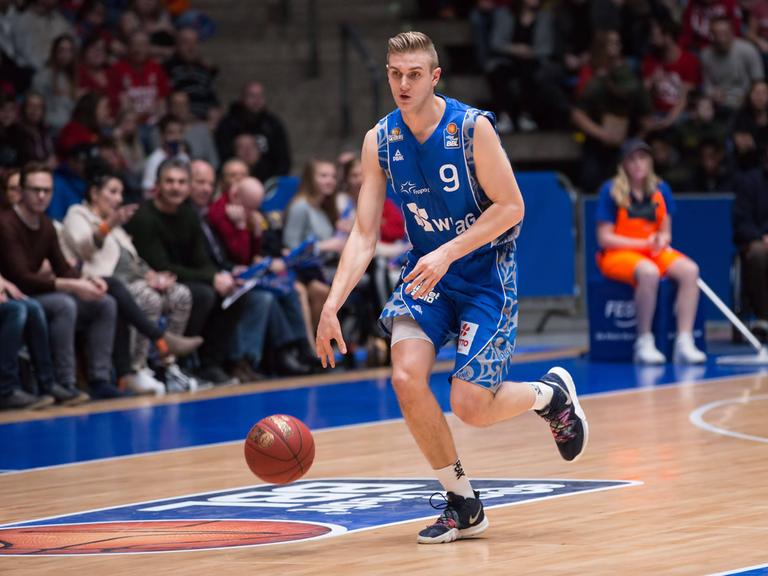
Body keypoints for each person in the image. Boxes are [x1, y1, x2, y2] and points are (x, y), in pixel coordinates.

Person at [315, 31, 588, 545]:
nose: (402, 83)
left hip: (484, 275)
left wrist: (446, 251)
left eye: (414, 74)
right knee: (404, 377)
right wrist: (332, 304)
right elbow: (363, 233)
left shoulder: (470, 129)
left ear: (435, 76)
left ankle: (548, 397)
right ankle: (463, 503)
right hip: (427, 277)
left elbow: (512, 208)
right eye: (395, 73)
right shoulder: (381, 140)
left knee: (469, 406)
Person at [62, 171, 203, 394]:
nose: (118, 199)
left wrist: (153, 276)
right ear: (94, 193)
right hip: (102, 282)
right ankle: (139, 368)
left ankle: (166, 364)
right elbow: (84, 248)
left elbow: (133, 260)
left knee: (180, 294)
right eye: (113, 192)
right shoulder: (78, 214)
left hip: (133, 281)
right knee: (149, 298)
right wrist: (109, 224)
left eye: (121, 193)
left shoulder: (115, 224)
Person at [0, 162, 120, 400]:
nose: (42, 196)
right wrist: (73, 285)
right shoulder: (6, 224)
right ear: (21, 191)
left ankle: (100, 379)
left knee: (104, 302)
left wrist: (88, 280)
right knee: (64, 303)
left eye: (47, 190)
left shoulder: (46, 224)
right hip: (20, 294)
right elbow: (21, 277)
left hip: (36, 294)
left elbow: (62, 267)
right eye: (35, 190)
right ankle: (65, 381)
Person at [596, 139, 707, 364]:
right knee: (649, 273)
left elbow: (666, 232)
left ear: (650, 162)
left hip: (653, 251)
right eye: (632, 159)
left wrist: (660, 239)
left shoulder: (661, 189)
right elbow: (605, 238)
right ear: (623, 164)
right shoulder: (610, 191)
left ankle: (684, 342)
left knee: (690, 270)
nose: (638, 164)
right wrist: (643, 244)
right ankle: (644, 341)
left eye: (643, 158)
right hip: (618, 255)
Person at [215, 81, 291, 181]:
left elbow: (283, 159)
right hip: (235, 179)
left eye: (260, 96)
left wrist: (273, 183)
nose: (257, 100)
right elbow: (221, 157)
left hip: (268, 181)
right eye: (252, 96)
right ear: (242, 98)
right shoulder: (228, 124)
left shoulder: (273, 124)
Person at [732, 147, 768, 336]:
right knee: (757, 253)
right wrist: (761, 237)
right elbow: (741, 221)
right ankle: (764, 317)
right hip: (759, 242)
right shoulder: (750, 182)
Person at [701, 17, 764, 113]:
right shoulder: (706, 55)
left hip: (746, 102)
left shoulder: (747, 50)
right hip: (719, 103)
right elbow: (707, 85)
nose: (721, 39)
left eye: (724, 33)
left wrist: (749, 98)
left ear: (732, 32)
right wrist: (712, 93)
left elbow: (758, 81)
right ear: (711, 35)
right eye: (717, 34)